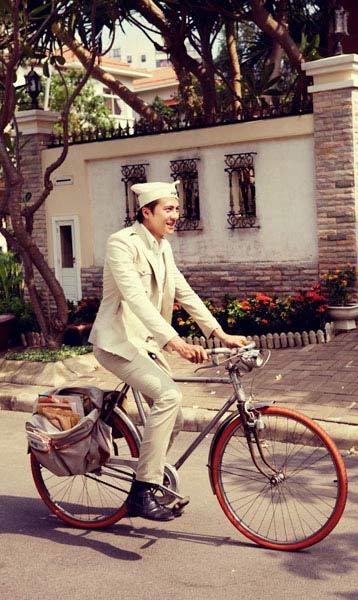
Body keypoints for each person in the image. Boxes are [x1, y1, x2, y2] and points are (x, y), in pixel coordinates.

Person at [89, 180, 246, 522]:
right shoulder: (122, 243)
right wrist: (174, 341)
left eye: (177, 209)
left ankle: (149, 472)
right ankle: (142, 491)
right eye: (168, 209)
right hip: (118, 343)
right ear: (146, 212)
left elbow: (184, 292)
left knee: (175, 416)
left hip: (145, 344)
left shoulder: (163, 247)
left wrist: (219, 333)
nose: (175, 215)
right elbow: (135, 298)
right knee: (169, 396)